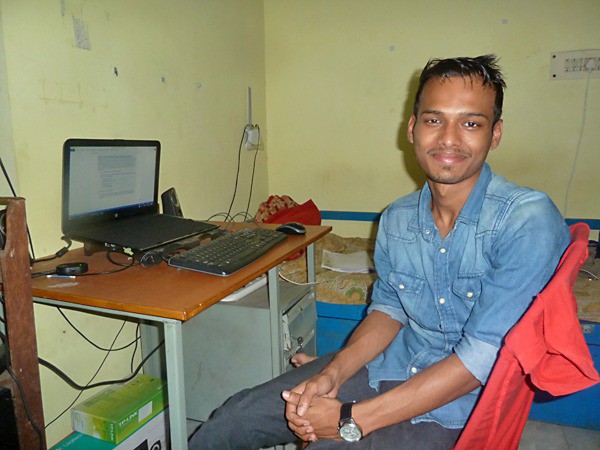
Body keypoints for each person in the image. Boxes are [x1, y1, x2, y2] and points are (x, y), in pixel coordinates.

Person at [188, 55, 570, 449]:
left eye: (471, 123)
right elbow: (390, 309)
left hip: (462, 404)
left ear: (495, 133)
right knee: (232, 419)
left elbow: (481, 359)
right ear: (413, 128)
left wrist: (349, 419)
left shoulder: (525, 220)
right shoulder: (397, 218)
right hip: (390, 366)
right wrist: (334, 373)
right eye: (434, 120)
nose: (449, 139)